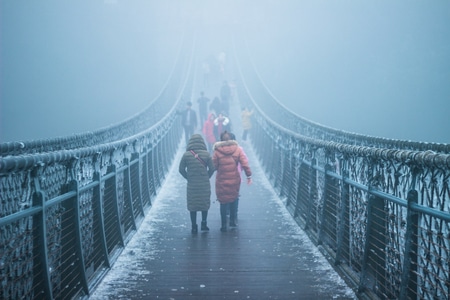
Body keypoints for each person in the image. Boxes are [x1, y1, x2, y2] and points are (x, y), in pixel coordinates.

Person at [213, 131, 252, 232]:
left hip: (221, 179)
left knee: (223, 200)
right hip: (235, 178)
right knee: (234, 197)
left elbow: (214, 166)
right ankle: (232, 221)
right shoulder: (238, 150)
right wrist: (249, 175)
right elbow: (245, 163)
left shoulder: (217, 151)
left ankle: (223, 225)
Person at [179, 134, 215, 234]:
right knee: (204, 203)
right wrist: (207, 176)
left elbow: (181, 169)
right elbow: (212, 168)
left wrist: (188, 177)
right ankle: (204, 224)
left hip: (192, 184)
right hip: (204, 184)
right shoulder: (207, 154)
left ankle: (194, 226)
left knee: (193, 204)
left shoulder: (186, 155)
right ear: (202, 143)